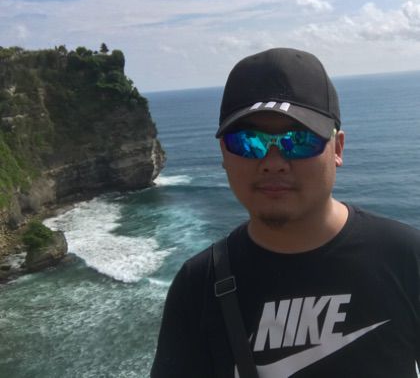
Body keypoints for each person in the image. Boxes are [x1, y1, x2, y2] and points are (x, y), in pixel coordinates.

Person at [151, 48, 420, 378]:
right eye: (248, 142)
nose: (273, 162)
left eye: (299, 140)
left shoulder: (407, 258)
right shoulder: (198, 286)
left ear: (337, 148)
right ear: (224, 154)